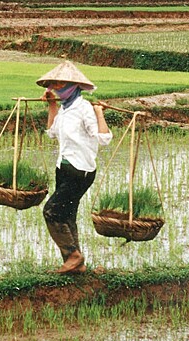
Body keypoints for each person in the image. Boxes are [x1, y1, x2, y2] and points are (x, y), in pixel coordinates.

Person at [36, 60, 112, 274]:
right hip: (63, 168)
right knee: (67, 215)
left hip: (80, 171)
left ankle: (73, 256)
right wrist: (51, 105)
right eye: (54, 85)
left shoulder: (84, 108)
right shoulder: (64, 109)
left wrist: (99, 113)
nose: (56, 88)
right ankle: (75, 264)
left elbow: (104, 138)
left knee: (51, 211)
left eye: (60, 85)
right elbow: (52, 132)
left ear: (73, 86)